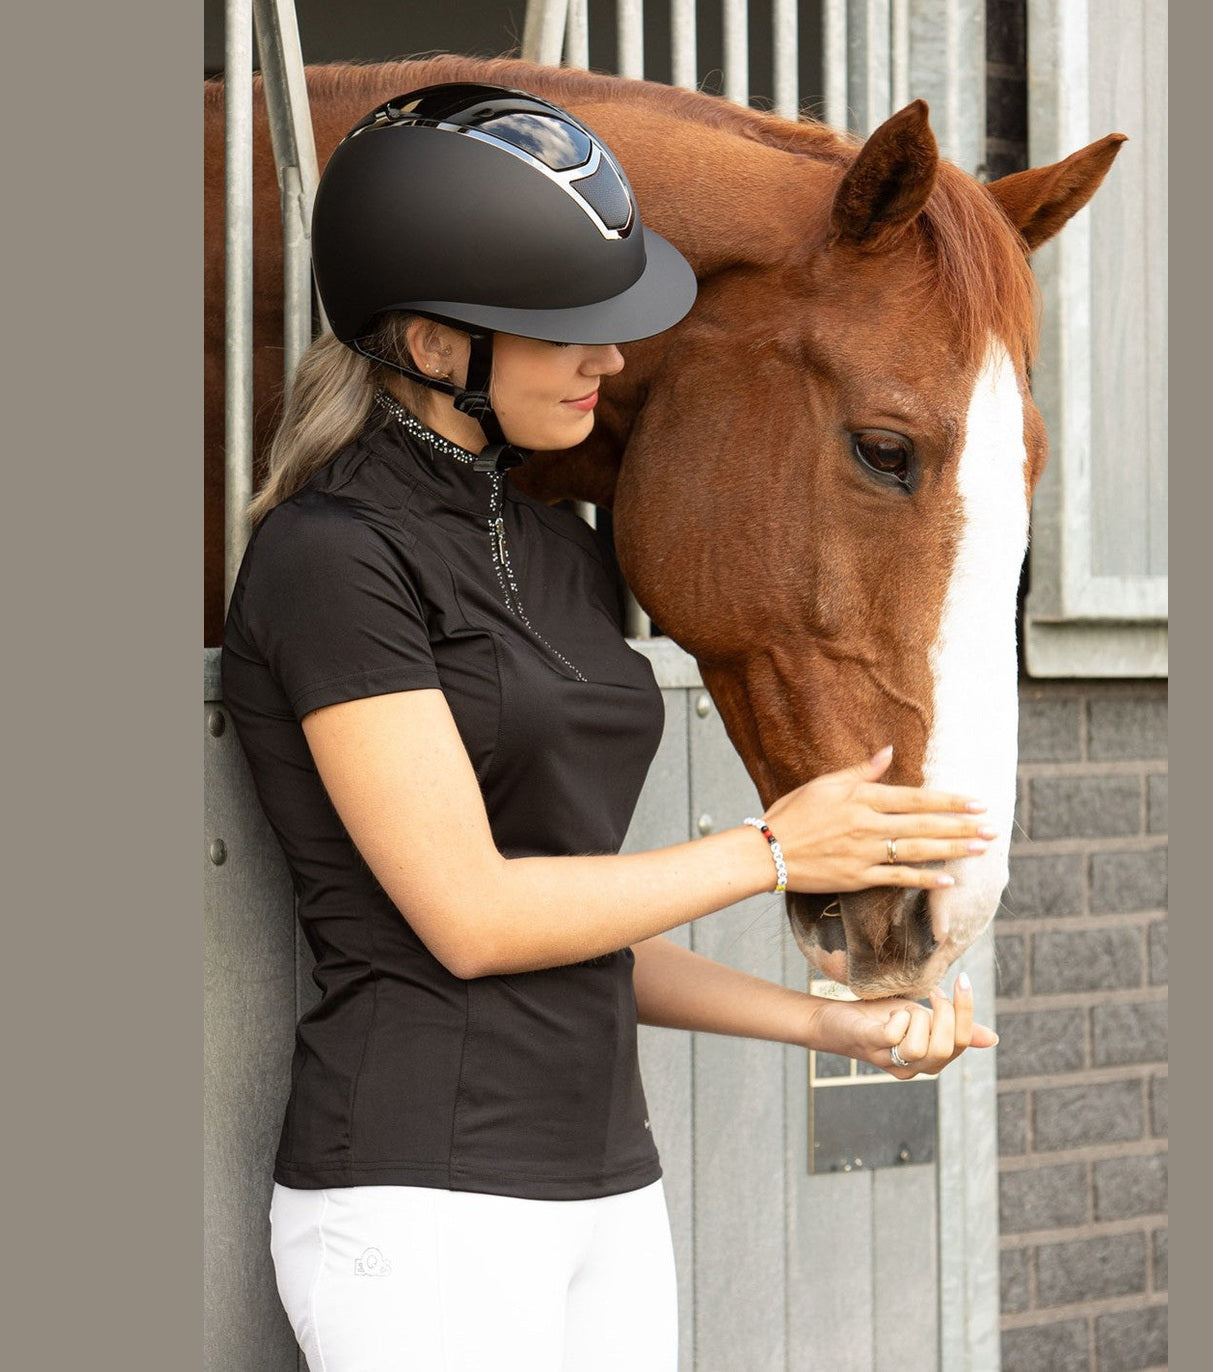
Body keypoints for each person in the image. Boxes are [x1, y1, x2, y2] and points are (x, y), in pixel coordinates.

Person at [221, 82, 999, 1372]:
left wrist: (827, 1023)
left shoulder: (560, 554)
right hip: (424, 1194)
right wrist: (774, 852)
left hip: (608, 1189)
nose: (611, 360)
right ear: (433, 344)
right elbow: (474, 918)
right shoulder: (332, 558)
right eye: (566, 331)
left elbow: (578, 932)